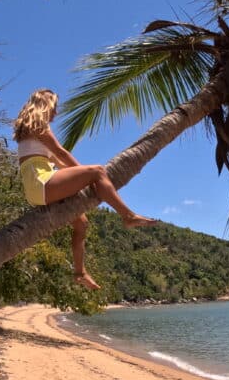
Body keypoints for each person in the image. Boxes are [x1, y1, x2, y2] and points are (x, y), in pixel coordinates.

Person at [13, 88, 155, 290]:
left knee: (82, 224)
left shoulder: (30, 134)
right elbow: (61, 153)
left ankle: (80, 273)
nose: (56, 113)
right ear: (46, 105)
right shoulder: (39, 126)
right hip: (41, 183)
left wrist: (82, 177)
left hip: (39, 186)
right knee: (97, 170)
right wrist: (91, 176)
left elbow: (60, 164)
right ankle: (128, 216)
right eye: (54, 107)